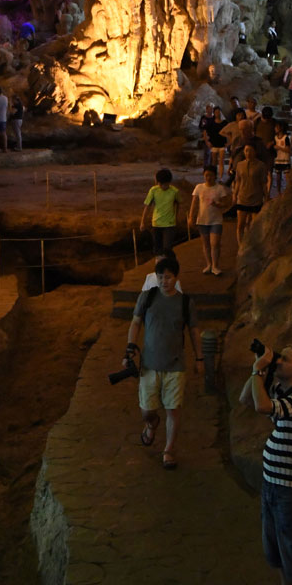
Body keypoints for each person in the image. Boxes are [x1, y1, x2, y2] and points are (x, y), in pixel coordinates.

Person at [240, 344, 292, 585]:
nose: (280, 362)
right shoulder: (281, 392)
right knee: (278, 551)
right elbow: (246, 398)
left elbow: (262, 406)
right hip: (273, 487)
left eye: (285, 359)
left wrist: (257, 370)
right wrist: (260, 370)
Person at [123, 257, 202, 469]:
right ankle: (151, 425)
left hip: (175, 366)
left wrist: (199, 357)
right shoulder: (147, 297)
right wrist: (130, 347)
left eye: (167, 277)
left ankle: (169, 450)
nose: (163, 281)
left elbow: (194, 331)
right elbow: (136, 322)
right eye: (160, 277)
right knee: (147, 410)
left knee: (173, 409)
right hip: (149, 364)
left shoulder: (185, 303)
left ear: (176, 278)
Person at [187, 166, 231, 275]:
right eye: (206, 175)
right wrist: (191, 217)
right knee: (206, 243)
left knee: (215, 243)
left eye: (210, 175)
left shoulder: (219, 189)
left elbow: (226, 203)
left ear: (215, 176)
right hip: (202, 219)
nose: (208, 177)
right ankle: (209, 264)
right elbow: (194, 203)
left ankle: (215, 265)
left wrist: (218, 204)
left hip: (216, 219)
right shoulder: (199, 187)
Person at [139, 168, 181, 256]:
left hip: (170, 224)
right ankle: (159, 267)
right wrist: (143, 222)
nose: (163, 186)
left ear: (169, 182)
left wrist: (176, 217)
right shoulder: (153, 190)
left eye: (165, 184)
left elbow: (178, 204)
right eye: (160, 184)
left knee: (167, 248)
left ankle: (169, 267)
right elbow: (147, 206)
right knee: (157, 249)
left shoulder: (174, 191)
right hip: (156, 223)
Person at [233, 143, 268, 245]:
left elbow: (263, 183)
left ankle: (253, 244)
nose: (248, 153)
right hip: (242, 197)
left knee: (254, 224)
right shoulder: (240, 165)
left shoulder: (261, 166)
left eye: (250, 150)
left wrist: (266, 196)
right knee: (240, 224)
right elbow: (238, 181)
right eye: (246, 151)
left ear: (255, 152)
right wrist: (235, 194)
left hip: (255, 198)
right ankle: (241, 245)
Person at [203, 107, 229, 180]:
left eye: (219, 111)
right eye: (216, 112)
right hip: (214, 144)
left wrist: (229, 142)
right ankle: (214, 176)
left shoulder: (224, 122)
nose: (218, 113)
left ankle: (221, 177)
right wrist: (207, 142)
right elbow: (205, 132)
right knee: (214, 162)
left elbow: (229, 132)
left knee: (221, 161)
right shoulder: (211, 122)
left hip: (222, 144)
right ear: (214, 113)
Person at [270, 120, 291, 195]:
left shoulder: (286, 138)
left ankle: (289, 191)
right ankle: (279, 192)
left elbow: (288, 150)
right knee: (278, 177)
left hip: (285, 160)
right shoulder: (275, 138)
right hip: (278, 160)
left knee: (287, 177)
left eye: (276, 127)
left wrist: (279, 147)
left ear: (281, 128)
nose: (275, 128)